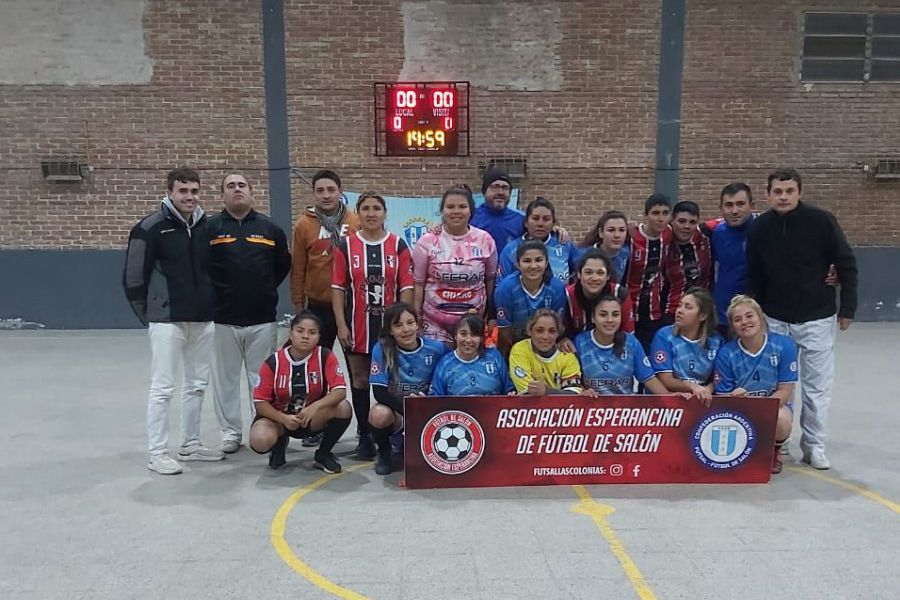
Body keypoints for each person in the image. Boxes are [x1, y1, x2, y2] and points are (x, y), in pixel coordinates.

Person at [745, 168, 857, 470]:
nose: (783, 197)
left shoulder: (821, 221)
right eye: (778, 192)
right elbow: (754, 274)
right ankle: (777, 444)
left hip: (817, 317)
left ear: (799, 192)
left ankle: (814, 444)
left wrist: (848, 308)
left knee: (817, 385)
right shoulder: (759, 229)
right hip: (775, 317)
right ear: (768, 194)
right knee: (776, 384)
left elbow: (846, 263)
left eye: (789, 191)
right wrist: (754, 312)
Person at [123, 166, 223, 475]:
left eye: (194, 191)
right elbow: (133, 278)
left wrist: (210, 305)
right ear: (170, 192)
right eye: (183, 191)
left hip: (202, 319)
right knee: (163, 387)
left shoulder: (207, 227)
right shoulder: (149, 227)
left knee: (197, 384)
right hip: (167, 320)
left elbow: (214, 272)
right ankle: (157, 452)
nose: (190, 197)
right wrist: (152, 315)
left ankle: (190, 443)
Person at [207, 173, 291, 454]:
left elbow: (282, 267)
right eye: (230, 186)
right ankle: (231, 433)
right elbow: (202, 269)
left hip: (262, 319)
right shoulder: (210, 229)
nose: (237, 189)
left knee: (261, 379)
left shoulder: (270, 230)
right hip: (222, 319)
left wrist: (262, 290)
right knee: (226, 379)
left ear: (252, 192)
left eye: (242, 185)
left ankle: (262, 425)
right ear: (223, 196)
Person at [332, 192, 413, 460]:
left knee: (390, 381)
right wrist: (341, 325)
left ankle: (392, 434)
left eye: (376, 208)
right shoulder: (346, 246)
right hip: (358, 326)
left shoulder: (398, 244)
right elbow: (337, 290)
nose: (371, 213)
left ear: (385, 213)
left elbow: (407, 288)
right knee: (360, 380)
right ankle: (364, 436)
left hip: (389, 329)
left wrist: (404, 325)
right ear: (358, 213)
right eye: (365, 208)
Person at [249, 311, 352, 473]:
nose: (305, 336)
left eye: (312, 333)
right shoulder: (273, 362)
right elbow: (260, 402)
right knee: (259, 439)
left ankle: (323, 454)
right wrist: (282, 418)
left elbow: (340, 391)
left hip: (310, 418)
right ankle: (279, 444)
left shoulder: (325, 356)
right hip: (279, 419)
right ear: (291, 333)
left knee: (344, 408)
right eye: (300, 331)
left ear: (318, 337)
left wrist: (315, 407)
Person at [713, 295, 798, 474]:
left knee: (782, 420)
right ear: (733, 326)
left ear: (760, 317)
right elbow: (721, 396)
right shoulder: (726, 353)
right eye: (737, 319)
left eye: (749, 316)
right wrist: (734, 398)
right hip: (739, 408)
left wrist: (763, 409)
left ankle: (774, 451)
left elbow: (785, 390)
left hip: (771, 405)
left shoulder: (784, 345)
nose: (744, 322)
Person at [368, 303, 448, 475]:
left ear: (418, 324)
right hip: (400, 410)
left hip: (428, 409)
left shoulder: (436, 348)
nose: (406, 329)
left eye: (410, 323)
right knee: (378, 415)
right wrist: (410, 410)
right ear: (390, 330)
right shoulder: (381, 349)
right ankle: (384, 453)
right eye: (398, 325)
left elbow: (449, 377)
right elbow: (379, 392)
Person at [412, 185, 497, 344]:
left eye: (462, 206)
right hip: (434, 323)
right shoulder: (427, 241)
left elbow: (490, 280)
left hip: (473, 323)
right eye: (450, 206)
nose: (456, 211)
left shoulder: (485, 240)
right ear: (442, 211)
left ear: (471, 210)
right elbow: (418, 283)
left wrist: (490, 314)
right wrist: (416, 316)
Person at [290, 169, 360, 350]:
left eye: (331, 189)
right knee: (316, 364)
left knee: (356, 365)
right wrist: (299, 307)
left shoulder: (356, 221)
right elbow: (298, 269)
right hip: (318, 306)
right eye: (320, 191)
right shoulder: (303, 225)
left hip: (352, 305)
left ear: (340, 191)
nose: (326, 195)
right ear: (313, 194)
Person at [575, 293, 669, 396]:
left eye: (615, 315)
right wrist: (582, 391)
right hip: (591, 408)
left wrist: (671, 398)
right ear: (593, 318)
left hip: (626, 408)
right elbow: (574, 380)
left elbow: (649, 379)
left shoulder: (631, 343)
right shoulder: (580, 342)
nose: (610, 320)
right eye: (603, 315)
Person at [493, 240, 567, 357]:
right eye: (527, 261)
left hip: (546, 344)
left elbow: (557, 327)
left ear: (546, 262)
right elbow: (504, 333)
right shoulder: (505, 289)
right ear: (517, 264)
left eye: (539, 260)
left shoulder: (556, 288)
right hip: (515, 345)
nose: (533, 266)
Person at [650, 287, 723, 403]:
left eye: (688, 307)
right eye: (680, 305)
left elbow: (720, 376)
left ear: (703, 315)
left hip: (703, 400)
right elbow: (665, 379)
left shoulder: (716, 340)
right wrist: (693, 387)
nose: (679, 310)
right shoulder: (664, 336)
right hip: (671, 399)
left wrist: (707, 390)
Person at [626, 193, 673, 353]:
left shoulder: (668, 233)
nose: (660, 218)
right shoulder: (631, 237)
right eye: (655, 213)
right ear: (645, 216)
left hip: (654, 311)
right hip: (629, 308)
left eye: (665, 213)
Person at [561, 249, 633, 352]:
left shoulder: (620, 295)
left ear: (608, 276)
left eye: (600, 273)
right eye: (588, 272)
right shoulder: (566, 295)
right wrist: (563, 339)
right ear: (579, 274)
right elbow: (561, 333)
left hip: (613, 350)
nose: (594, 278)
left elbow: (627, 334)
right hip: (577, 351)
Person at [709, 182, 756, 336]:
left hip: (755, 316)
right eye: (729, 205)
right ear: (721, 209)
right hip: (723, 316)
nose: (735, 210)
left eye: (740, 204)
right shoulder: (717, 233)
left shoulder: (763, 230)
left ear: (751, 205)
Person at [430, 315, 515, 396]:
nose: (468, 340)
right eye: (463, 334)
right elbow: (435, 400)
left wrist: (511, 394)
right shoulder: (445, 364)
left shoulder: (494, 357)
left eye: (474, 335)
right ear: (455, 335)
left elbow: (509, 390)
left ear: (481, 338)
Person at [498, 197, 577, 283]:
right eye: (535, 218)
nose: (540, 224)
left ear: (553, 223)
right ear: (526, 223)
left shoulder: (564, 244)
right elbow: (501, 285)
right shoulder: (511, 250)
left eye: (546, 219)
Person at [509, 309, 582, 395]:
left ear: (558, 333)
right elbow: (527, 393)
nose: (545, 337)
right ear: (529, 331)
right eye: (539, 331)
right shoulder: (520, 350)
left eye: (552, 331)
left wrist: (547, 391)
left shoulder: (567, 355)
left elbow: (574, 394)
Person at [662, 201, 712, 320]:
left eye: (692, 222)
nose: (687, 226)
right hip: (671, 312)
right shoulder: (662, 241)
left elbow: (726, 220)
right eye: (681, 221)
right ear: (672, 220)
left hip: (700, 312)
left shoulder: (705, 235)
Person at [470, 168, 523, 252]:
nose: (500, 192)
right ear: (484, 191)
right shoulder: (471, 217)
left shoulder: (521, 220)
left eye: (505, 188)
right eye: (495, 187)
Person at [575, 210, 631, 283]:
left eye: (622, 230)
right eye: (611, 230)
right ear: (601, 233)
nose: (617, 235)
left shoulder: (628, 252)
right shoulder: (582, 255)